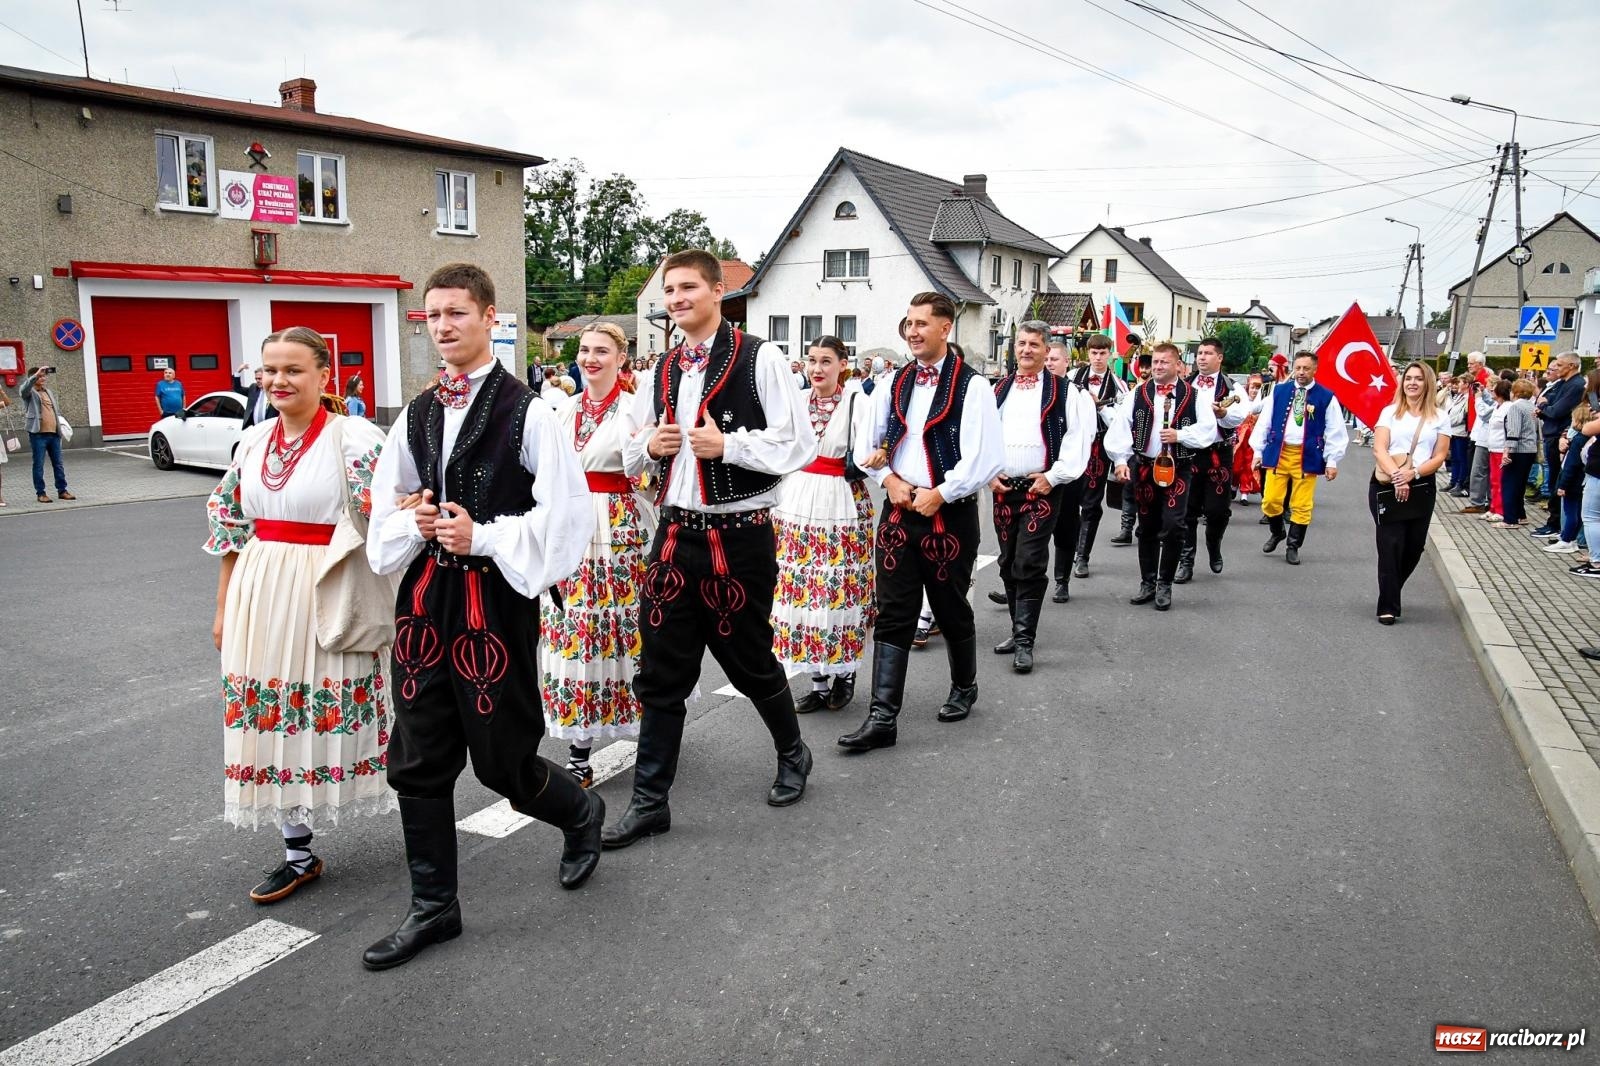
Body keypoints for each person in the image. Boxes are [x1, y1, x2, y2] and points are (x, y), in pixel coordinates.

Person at [364, 262, 598, 971]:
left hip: (494, 599)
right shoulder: (418, 412)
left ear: (491, 318)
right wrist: (419, 521)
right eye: (433, 314)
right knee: (420, 753)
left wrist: (485, 535)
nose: (443, 326)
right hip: (430, 598)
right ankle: (435, 907)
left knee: (501, 760)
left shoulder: (528, 410)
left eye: (457, 313)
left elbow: (566, 519)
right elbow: (386, 507)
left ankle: (579, 813)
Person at [604, 250, 817, 849]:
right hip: (673, 534)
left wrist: (730, 445)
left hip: (739, 534)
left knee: (749, 659)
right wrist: (652, 443)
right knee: (661, 673)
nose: (675, 298)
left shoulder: (761, 356)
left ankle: (793, 752)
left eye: (687, 287)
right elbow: (628, 452)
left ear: (718, 291)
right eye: (669, 290)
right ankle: (651, 802)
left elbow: (797, 441)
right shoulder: (660, 369)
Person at [202, 326, 391, 904]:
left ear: (323, 376)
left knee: (335, 703)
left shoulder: (354, 437)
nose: (278, 381)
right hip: (261, 588)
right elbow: (231, 528)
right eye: (269, 370)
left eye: (293, 370)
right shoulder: (254, 441)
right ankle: (297, 852)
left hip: (326, 584)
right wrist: (223, 608)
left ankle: (422, 820)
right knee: (270, 716)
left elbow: (384, 518)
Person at [838, 292, 1002, 752]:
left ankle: (964, 685)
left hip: (948, 514)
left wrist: (942, 492)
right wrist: (887, 478)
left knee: (949, 606)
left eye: (921, 324)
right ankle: (882, 718)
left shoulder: (974, 387)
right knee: (892, 611)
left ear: (945, 328)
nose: (912, 331)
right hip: (898, 507)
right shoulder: (892, 382)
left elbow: (987, 458)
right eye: (908, 323)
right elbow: (864, 446)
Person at [539, 323, 655, 787]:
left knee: (622, 632)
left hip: (617, 528)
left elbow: (650, 472)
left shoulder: (632, 411)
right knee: (573, 631)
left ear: (621, 359)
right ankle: (580, 747)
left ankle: (649, 725)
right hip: (570, 528)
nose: (590, 358)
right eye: (585, 350)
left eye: (601, 351)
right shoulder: (559, 410)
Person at [771, 335, 877, 710]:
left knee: (836, 588)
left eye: (826, 361)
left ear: (842, 365)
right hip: (797, 499)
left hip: (840, 500)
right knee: (800, 588)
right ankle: (817, 681)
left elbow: (870, 449)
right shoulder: (797, 401)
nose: (817, 369)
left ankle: (844, 672)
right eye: (812, 360)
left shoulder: (857, 402)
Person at [987, 321, 1092, 673]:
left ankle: (1025, 641)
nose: (1026, 350)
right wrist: (989, 474)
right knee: (1007, 561)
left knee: (1029, 561)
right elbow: (981, 437)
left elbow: (1078, 441)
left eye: (1034, 344)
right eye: (1021, 343)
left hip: (1041, 488)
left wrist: (1052, 476)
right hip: (1003, 488)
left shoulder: (1066, 392)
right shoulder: (998, 389)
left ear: (1047, 351)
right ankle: (1017, 632)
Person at [1104, 343, 1217, 611]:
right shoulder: (1138, 393)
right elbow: (1121, 427)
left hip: (1179, 467)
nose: (1157, 367)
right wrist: (1120, 460)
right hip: (1144, 466)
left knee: (1175, 524)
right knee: (1146, 527)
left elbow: (1208, 431)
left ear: (1177, 365)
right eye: (1155, 362)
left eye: (1164, 362)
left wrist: (1181, 435)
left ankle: (1165, 582)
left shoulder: (1194, 395)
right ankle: (1148, 582)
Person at [1369, 361, 1450, 624]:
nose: (1412, 383)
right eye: (1408, 379)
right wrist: (1397, 476)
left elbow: (1439, 456)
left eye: (1418, 379)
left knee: (1414, 547)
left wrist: (1412, 474)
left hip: (1421, 485)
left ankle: (1391, 587)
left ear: (1428, 383)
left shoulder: (1440, 417)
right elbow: (1380, 448)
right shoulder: (1390, 412)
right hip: (1386, 484)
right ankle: (1388, 605)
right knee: (1390, 545)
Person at [1250, 352, 1347, 565]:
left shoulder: (1326, 396)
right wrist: (1257, 451)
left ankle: (1293, 545)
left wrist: (1332, 461)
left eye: (1306, 368)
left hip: (1307, 455)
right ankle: (1277, 532)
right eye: (1298, 367)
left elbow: (1335, 430)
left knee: (1302, 505)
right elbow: (1264, 422)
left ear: (1315, 370)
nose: (1301, 372)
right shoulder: (1279, 390)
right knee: (1270, 501)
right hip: (1279, 452)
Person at [1177, 337, 1249, 581]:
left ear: (1219, 358)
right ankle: (1186, 560)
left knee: (1217, 511)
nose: (1202, 357)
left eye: (1208, 353)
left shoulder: (1232, 387)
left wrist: (1224, 412)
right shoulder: (1185, 384)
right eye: (1199, 353)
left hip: (1219, 453)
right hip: (1189, 453)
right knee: (1187, 509)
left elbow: (1240, 416)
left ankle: (1214, 545)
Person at [1063, 333, 1128, 585]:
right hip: (1072, 445)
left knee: (1090, 503)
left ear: (1110, 354)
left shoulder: (1119, 385)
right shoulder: (1071, 379)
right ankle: (1066, 550)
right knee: (1068, 501)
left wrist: (1100, 407)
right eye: (1094, 353)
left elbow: (1120, 424)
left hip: (1099, 448)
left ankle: (1082, 555)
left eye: (1103, 353)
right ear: (1087, 354)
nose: (1098, 358)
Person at [1532, 353, 1587, 539]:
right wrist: (1544, 408)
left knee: (1557, 480)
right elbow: (1547, 405)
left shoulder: (1576, 385)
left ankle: (1556, 523)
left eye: (1560, 365)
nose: (1557, 368)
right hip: (1551, 433)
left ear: (1571, 365)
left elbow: (1556, 410)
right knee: (1554, 479)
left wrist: (1544, 408)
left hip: (1559, 436)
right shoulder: (1562, 383)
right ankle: (1554, 521)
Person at [1106, 352, 1151, 548]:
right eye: (1142, 366)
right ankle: (1126, 529)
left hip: (1153, 451)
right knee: (1128, 489)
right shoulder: (1133, 392)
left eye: (1148, 366)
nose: (1144, 370)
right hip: (1133, 448)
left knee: (1148, 491)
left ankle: (1147, 528)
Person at [20, 367, 73, 504]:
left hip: (54, 434)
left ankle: (62, 490)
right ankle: (41, 493)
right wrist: (35, 375)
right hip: (38, 435)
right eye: (41, 376)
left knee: (58, 464)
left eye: (44, 376)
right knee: (38, 465)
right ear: (34, 377)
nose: (43, 378)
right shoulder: (29, 393)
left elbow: (55, 411)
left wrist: (60, 426)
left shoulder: (48, 392)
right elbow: (23, 389)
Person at [1492, 379, 1540, 529]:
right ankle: (1520, 515)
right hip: (1530, 449)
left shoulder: (1515, 407)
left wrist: (1507, 451)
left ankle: (1510, 519)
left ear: (1516, 392)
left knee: (1509, 483)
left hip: (1518, 450)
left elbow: (1514, 430)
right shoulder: (1531, 406)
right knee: (1520, 485)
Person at [1548, 398, 1592, 555]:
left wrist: (1562, 485)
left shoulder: (1578, 440)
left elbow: (1571, 465)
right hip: (1580, 482)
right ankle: (1571, 538)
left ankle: (1567, 539)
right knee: (1577, 512)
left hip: (1571, 483)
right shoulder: (1587, 439)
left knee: (1570, 512)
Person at [1462, 367, 1495, 514]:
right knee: (1481, 471)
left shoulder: (1501, 404)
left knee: (1479, 471)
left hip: (1489, 440)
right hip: (1483, 438)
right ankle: (1483, 501)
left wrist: (1479, 397)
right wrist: (1483, 393)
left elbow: (1483, 413)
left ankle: (1479, 502)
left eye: (1490, 387)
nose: (1488, 390)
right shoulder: (1494, 401)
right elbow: (1489, 402)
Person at [1231, 373, 1266, 505]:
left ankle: (1244, 493)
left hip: (1254, 440)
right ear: (1248, 387)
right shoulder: (1241, 401)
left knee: (1248, 466)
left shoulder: (1263, 403)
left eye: (1258, 388)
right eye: (1253, 387)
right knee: (1236, 465)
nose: (1255, 391)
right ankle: (1234, 486)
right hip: (1240, 439)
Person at [1484, 379, 1512, 522]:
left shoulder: (1508, 407)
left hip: (1501, 448)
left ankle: (1501, 510)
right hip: (1493, 447)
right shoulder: (1497, 406)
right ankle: (1493, 507)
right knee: (1494, 480)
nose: (1490, 391)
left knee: (1500, 480)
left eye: (1493, 389)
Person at [1444, 375, 1472, 495]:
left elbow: (1462, 416)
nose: (1458, 385)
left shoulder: (1468, 398)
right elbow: (1450, 411)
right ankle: (1453, 481)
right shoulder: (1459, 397)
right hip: (1454, 431)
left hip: (1461, 432)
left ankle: (1460, 482)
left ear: (1466, 384)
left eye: (1460, 382)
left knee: (1461, 459)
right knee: (1454, 458)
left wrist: (1448, 422)